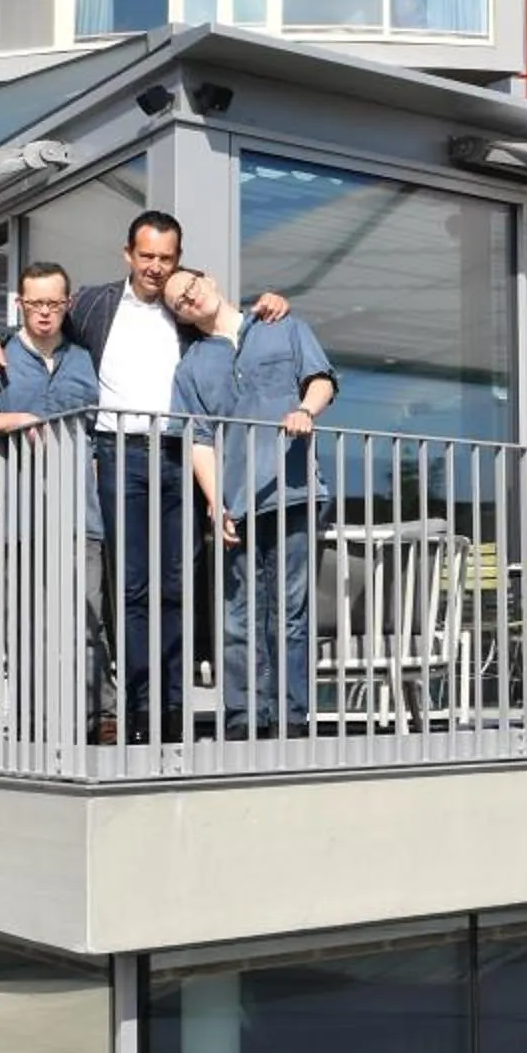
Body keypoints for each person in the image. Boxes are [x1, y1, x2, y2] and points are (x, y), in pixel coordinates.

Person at [0, 213, 285, 743]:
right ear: (128, 255)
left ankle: (173, 708)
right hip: (117, 454)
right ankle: (137, 713)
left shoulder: (183, 309)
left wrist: (268, 307)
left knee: (178, 586)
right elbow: (39, 324)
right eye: (147, 256)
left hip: (183, 452)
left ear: (177, 261)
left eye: (166, 258)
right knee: (132, 589)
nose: (156, 267)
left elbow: (228, 323)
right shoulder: (95, 304)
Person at [162, 264, 337, 739]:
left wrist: (305, 410)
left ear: (212, 281)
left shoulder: (284, 327)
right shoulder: (193, 366)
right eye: (179, 301)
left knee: (289, 611)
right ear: (181, 316)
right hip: (237, 506)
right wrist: (216, 504)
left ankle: (291, 717)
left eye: (192, 286)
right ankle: (243, 717)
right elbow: (198, 439)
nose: (190, 298)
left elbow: (321, 380)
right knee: (239, 616)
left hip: (293, 491)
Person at [0, 262, 105, 740]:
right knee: (26, 629)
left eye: (54, 303)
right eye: (35, 303)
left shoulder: (85, 358)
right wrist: (19, 418)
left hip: (79, 515)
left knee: (85, 625)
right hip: (18, 516)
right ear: (20, 304)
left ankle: (81, 728)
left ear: (68, 304)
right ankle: (32, 730)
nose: (44, 313)